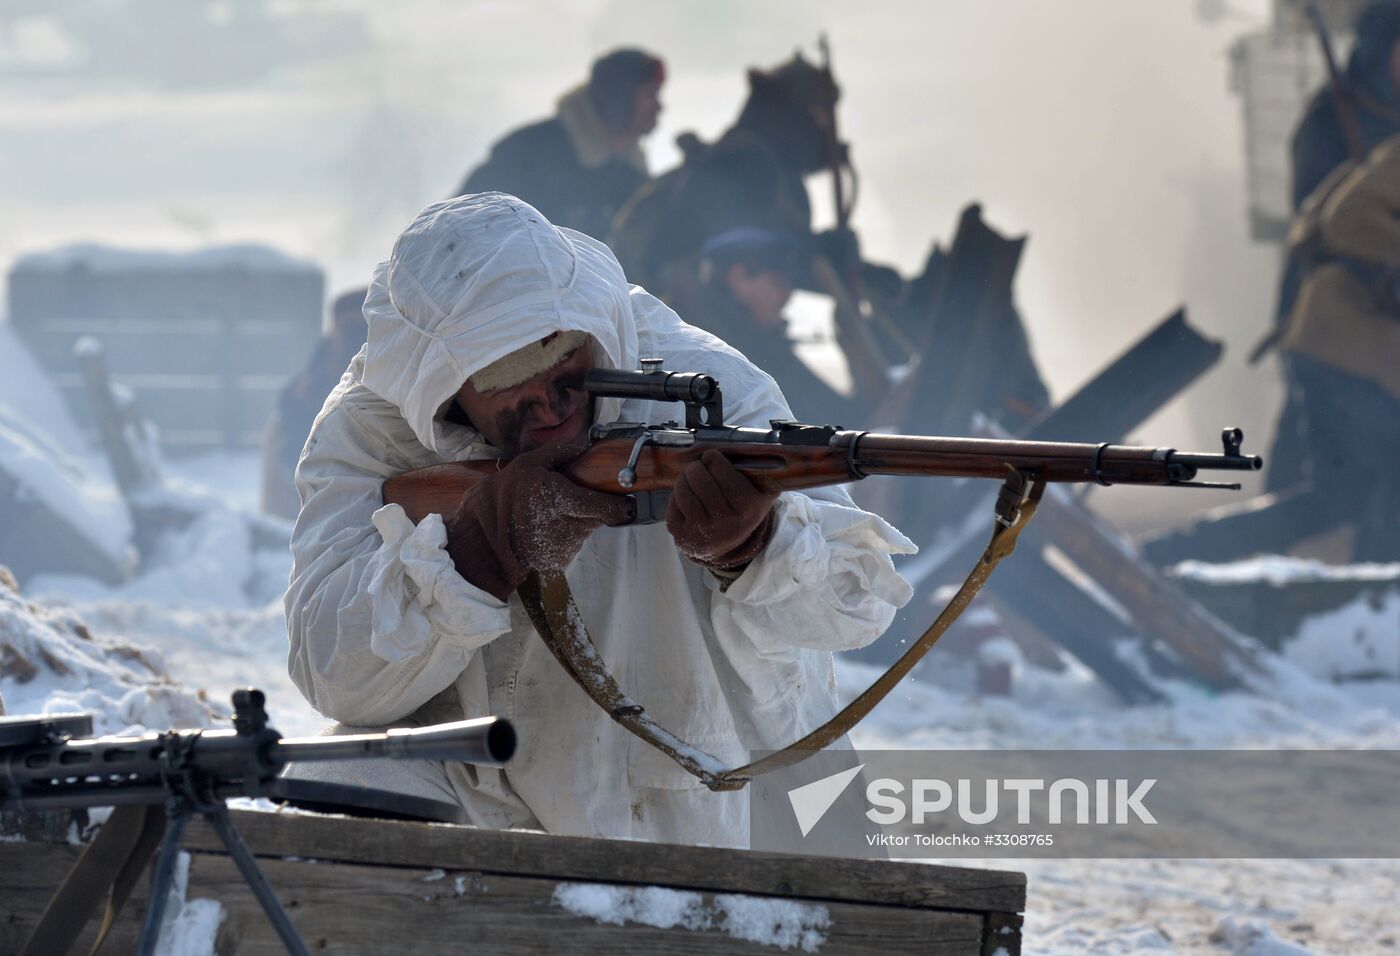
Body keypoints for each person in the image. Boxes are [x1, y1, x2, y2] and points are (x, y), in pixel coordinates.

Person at [282, 193, 915, 846]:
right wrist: (475, 556)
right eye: (508, 383)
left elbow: (858, 606)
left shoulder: (708, 378)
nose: (548, 403)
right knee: (329, 797)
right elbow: (335, 678)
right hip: (484, 798)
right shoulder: (371, 431)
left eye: (562, 367)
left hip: (733, 796)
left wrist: (754, 547)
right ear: (443, 388)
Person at [1146, 136, 1400, 564]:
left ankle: (1172, 553)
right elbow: (1348, 218)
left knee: (1336, 501)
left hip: (1355, 355)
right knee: (1379, 492)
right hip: (1346, 348)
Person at [609, 52, 904, 320]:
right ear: (794, 114)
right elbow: (741, 253)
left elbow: (778, 254)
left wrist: (856, 271)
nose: (826, 129)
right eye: (820, 116)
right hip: (687, 323)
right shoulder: (743, 163)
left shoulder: (770, 169)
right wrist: (821, 251)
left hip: (715, 321)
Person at [453, 48, 664, 243]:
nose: (659, 107)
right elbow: (457, 225)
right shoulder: (530, 154)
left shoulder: (631, 176)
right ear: (618, 101)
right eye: (649, 95)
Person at [676, 225, 868, 426]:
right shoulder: (729, 354)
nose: (787, 296)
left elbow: (846, 417)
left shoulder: (762, 344)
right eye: (778, 283)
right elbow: (843, 428)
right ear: (738, 277)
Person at [260, 287, 369, 520]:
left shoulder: (394, 374)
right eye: (352, 333)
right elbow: (294, 459)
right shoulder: (309, 387)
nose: (358, 342)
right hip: (315, 500)